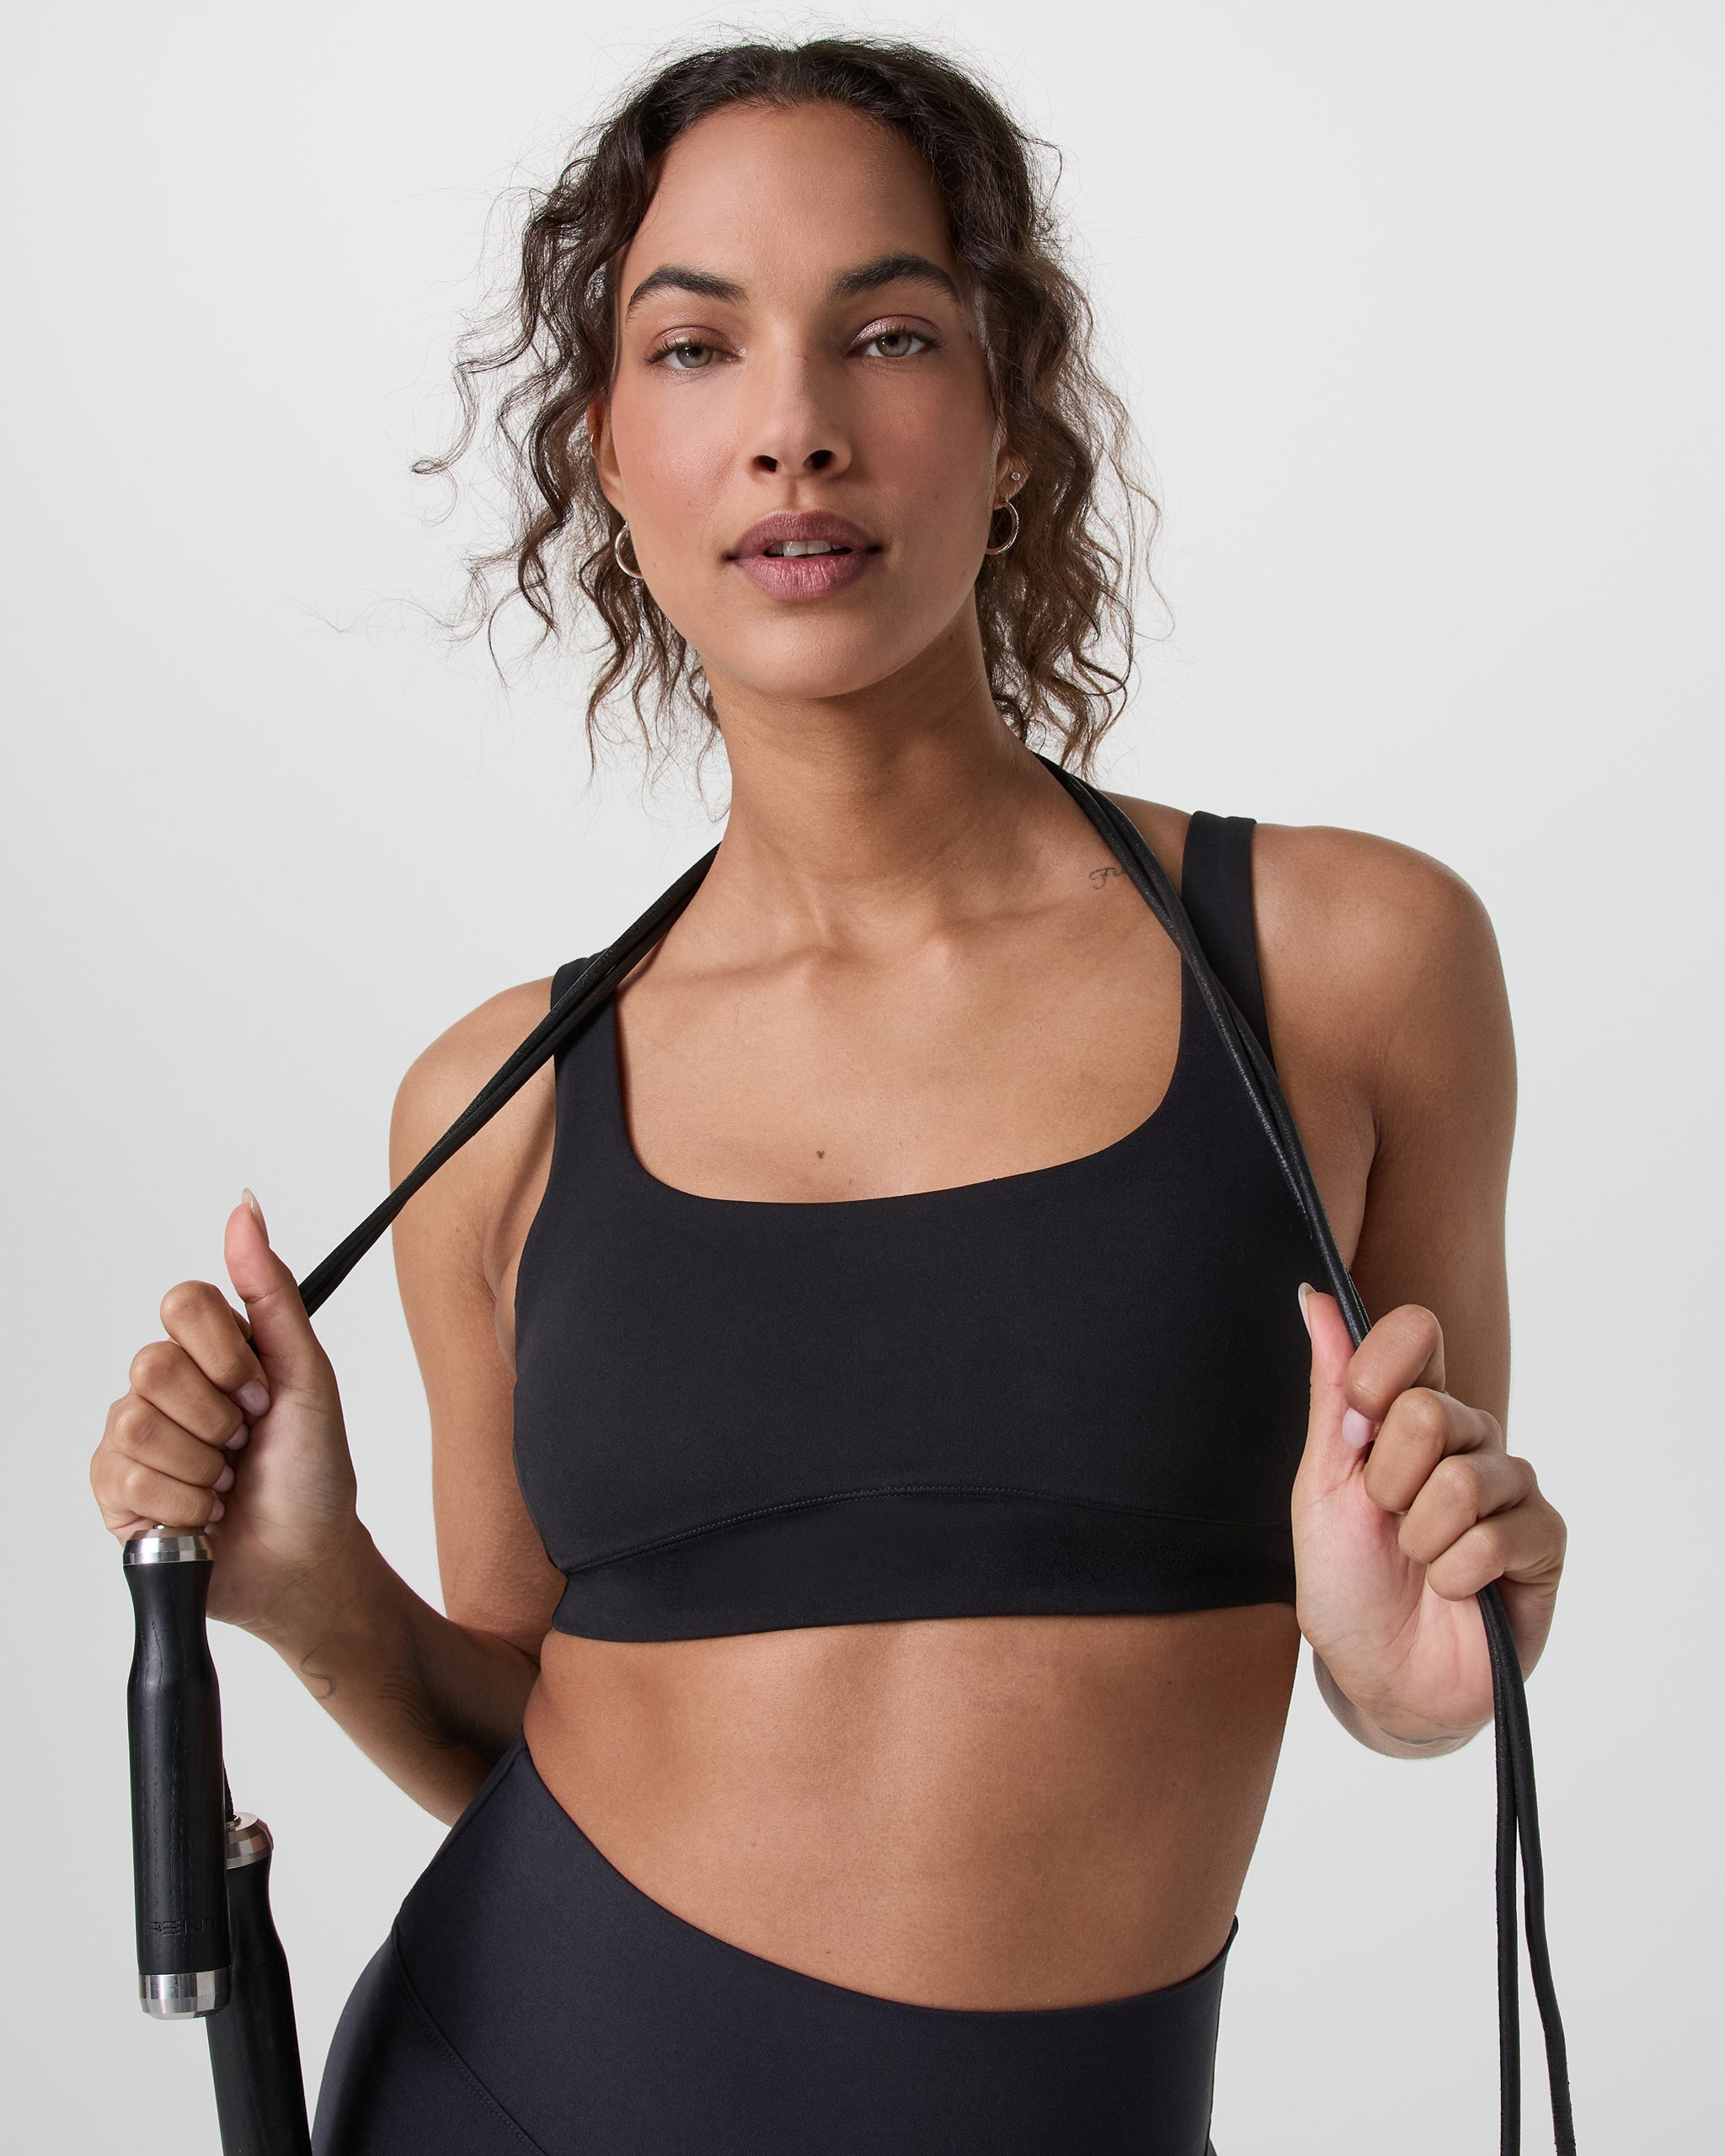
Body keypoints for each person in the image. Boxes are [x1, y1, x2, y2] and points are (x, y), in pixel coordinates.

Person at [88, 36, 1567, 2155]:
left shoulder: (1346, 970)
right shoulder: (498, 1110)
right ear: (610, 454)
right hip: (502, 2099)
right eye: (695, 347)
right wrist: (311, 1583)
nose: (794, 426)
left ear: (1011, 414)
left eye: (887, 333)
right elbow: (522, 1726)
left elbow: (1405, 1650)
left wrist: (1418, 1683)